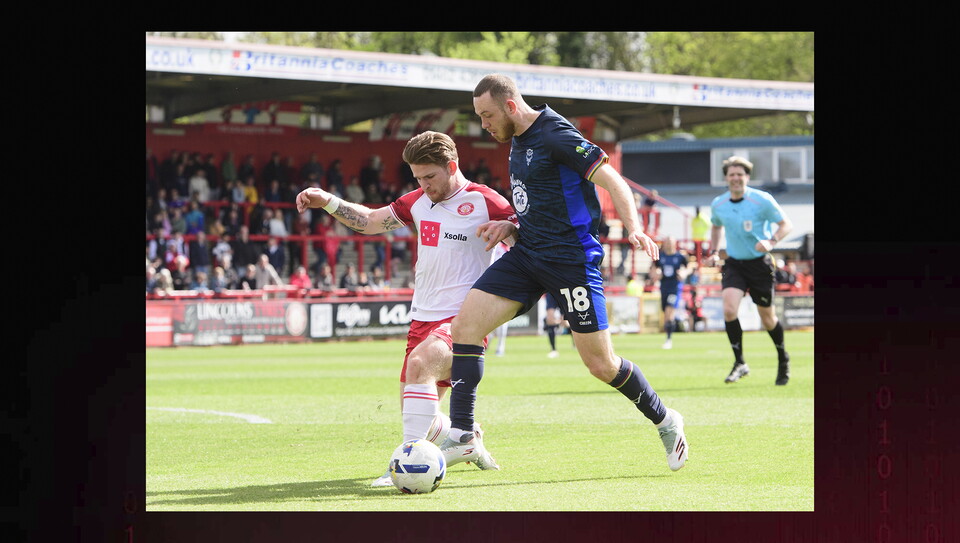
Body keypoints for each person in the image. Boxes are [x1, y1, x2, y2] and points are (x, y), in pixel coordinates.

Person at [438, 74, 687, 474]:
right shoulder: (517, 137)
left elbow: (612, 179)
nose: (483, 125)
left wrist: (635, 228)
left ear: (511, 106)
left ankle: (665, 419)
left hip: (570, 262)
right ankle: (463, 435)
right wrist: (514, 226)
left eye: (486, 116)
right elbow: (542, 197)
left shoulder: (555, 134)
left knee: (601, 365)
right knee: (464, 327)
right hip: (527, 254)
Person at [296, 130, 518, 486]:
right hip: (422, 317)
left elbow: (526, 238)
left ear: (452, 166)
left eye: (430, 176)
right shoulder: (417, 201)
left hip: (465, 318)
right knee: (423, 419)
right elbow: (369, 222)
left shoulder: (486, 201)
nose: (424, 185)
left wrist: (512, 228)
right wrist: (328, 202)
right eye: (418, 178)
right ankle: (467, 438)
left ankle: (406, 465)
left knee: (419, 366)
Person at [706, 155, 794, 386]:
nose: (736, 178)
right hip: (734, 263)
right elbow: (716, 227)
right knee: (728, 308)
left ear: (747, 177)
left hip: (759, 264)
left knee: (767, 317)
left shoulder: (762, 200)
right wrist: (714, 252)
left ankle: (782, 357)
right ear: (726, 178)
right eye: (732, 174)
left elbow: (786, 224)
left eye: (740, 174)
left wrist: (771, 241)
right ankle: (740, 362)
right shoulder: (718, 204)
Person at [651, 236, 688, 350]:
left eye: (671, 243)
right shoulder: (660, 256)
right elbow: (653, 269)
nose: (669, 245)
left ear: (675, 244)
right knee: (665, 312)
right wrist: (655, 275)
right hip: (664, 288)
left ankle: (668, 339)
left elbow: (688, 267)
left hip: (675, 288)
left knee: (669, 312)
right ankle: (676, 326)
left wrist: (684, 273)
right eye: (667, 243)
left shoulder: (680, 256)